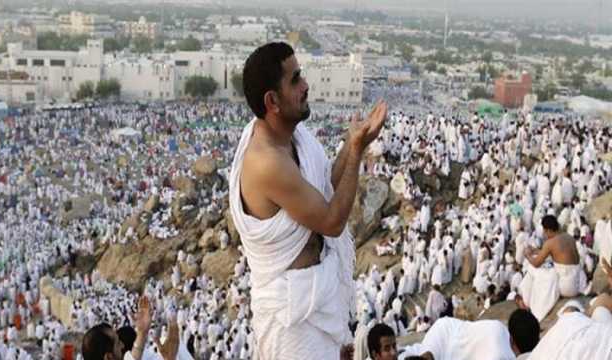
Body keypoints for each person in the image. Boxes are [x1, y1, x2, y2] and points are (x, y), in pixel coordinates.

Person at [229, 42, 387, 359]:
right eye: (296, 80)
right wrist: (355, 152)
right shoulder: (266, 162)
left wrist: (353, 144)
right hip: (291, 320)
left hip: (317, 300)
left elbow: (321, 188)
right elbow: (330, 221)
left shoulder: (295, 139)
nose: (306, 86)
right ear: (271, 101)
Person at [400, 309, 540, 360]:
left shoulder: (498, 326)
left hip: (445, 329)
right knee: (427, 354)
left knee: (426, 353)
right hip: (446, 334)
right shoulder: (506, 353)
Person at [518, 215, 582, 321]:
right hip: (576, 284)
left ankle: (531, 306)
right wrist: (535, 251)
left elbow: (536, 263)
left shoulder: (550, 243)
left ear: (547, 230)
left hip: (565, 288)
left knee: (533, 270)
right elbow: (557, 254)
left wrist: (527, 255)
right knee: (547, 270)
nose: (543, 234)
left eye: (544, 231)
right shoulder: (569, 237)